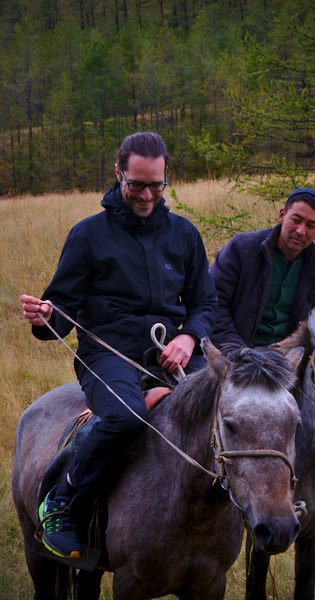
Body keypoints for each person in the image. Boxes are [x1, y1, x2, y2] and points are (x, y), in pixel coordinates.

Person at [20, 132, 217, 559]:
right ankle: (62, 500)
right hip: (106, 354)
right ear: (118, 173)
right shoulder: (88, 235)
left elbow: (205, 304)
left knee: (230, 406)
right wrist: (46, 315)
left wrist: (188, 336)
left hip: (171, 352)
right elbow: (61, 308)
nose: (147, 195)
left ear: (166, 177)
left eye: (156, 185)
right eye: (137, 184)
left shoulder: (184, 234)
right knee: (127, 417)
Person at [210, 188, 315, 349]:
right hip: (233, 351)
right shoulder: (242, 249)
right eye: (296, 220)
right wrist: (238, 351)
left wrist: (289, 347)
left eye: (311, 225)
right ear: (282, 215)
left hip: (288, 355)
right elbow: (213, 304)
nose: (300, 231)